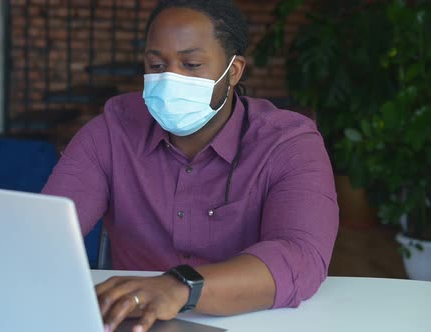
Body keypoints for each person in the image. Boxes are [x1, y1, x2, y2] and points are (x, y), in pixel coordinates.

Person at [42, 1, 339, 331]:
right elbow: (43, 236)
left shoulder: (288, 143)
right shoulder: (110, 133)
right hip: (134, 322)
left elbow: (301, 257)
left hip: (254, 321)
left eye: (192, 64)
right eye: (156, 64)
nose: (170, 78)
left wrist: (179, 287)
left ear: (234, 71)